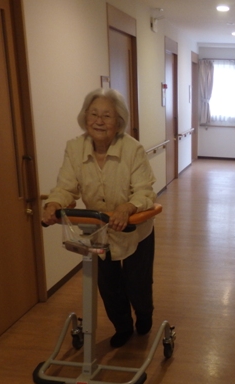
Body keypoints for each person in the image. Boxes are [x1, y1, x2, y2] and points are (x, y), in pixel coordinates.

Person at [42, 88, 157, 348]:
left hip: (135, 230)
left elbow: (144, 191)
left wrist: (127, 207)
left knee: (137, 284)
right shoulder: (75, 148)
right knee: (108, 285)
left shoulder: (133, 149)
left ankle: (144, 315)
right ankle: (122, 327)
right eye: (93, 114)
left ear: (119, 121)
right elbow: (66, 187)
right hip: (98, 229)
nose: (99, 121)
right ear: (85, 117)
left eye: (107, 115)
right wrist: (54, 203)